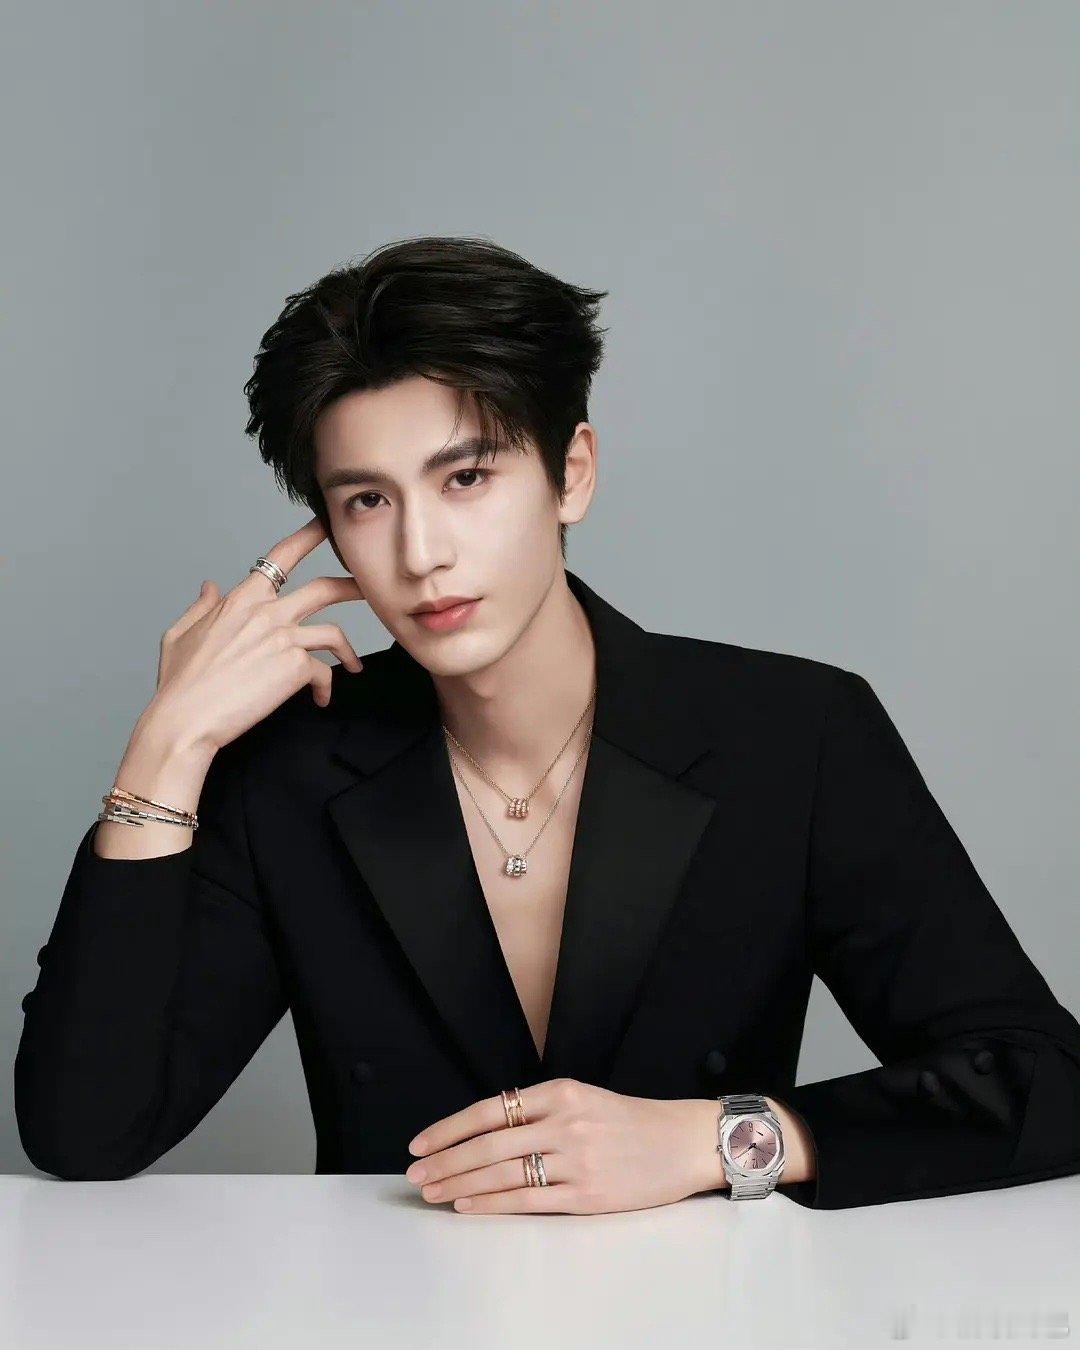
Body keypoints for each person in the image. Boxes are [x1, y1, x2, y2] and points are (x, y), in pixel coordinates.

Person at [15, 236, 1080, 1212]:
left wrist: (716, 1140)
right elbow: (85, 1134)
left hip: (711, 1316)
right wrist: (167, 748)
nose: (422, 553)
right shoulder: (293, 768)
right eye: (368, 501)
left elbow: (1046, 1078)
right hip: (388, 1316)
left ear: (571, 473)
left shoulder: (794, 735)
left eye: (467, 477)